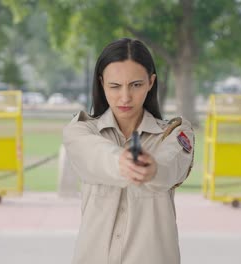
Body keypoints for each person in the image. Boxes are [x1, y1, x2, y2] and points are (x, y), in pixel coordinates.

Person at [63, 38, 195, 264]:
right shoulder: (81, 130)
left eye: (136, 85)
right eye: (115, 86)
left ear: (151, 82)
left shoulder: (175, 133)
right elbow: (93, 155)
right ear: (102, 83)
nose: (125, 97)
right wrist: (120, 162)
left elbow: (170, 165)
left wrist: (152, 170)